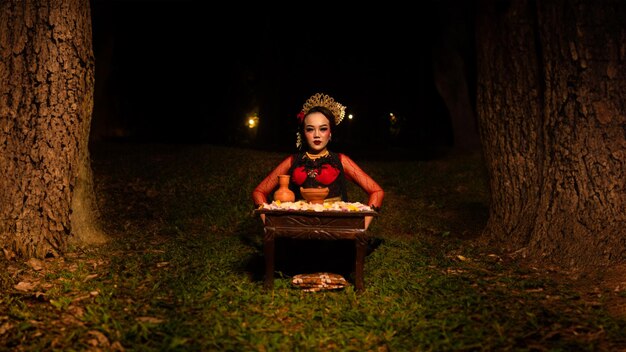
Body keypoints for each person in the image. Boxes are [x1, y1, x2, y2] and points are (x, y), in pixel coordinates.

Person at [252, 93, 384, 229]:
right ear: (303, 133)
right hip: (298, 230)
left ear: (330, 132)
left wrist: (362, 227)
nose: (317, 135)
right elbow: (259, 192)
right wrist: (270, 225)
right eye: (310, 129)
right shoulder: (292, 161)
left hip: (335, 230)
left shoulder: (340, 160)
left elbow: (377, 192)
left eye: (323, 129)